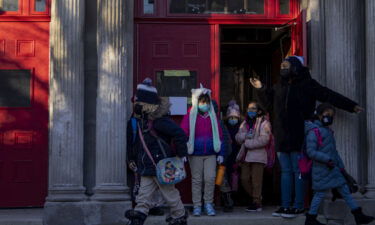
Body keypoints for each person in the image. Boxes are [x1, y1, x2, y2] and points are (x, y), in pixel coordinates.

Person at [250, 56, 364, 218]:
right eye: (281, 65)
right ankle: (285, 205)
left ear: (295, 67)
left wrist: (351, 106)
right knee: (286, 172)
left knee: (299, 171)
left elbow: (328, 95)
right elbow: (268, 105)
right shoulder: (278, 87)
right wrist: (261, 88)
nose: (283, 68)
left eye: (286, 65)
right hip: (282, 136)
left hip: (300, 135)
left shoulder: (308, 84)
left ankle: (298, 206)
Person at [125, 78, 189, 225]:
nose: (136, 105)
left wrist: (181, 154)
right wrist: (134, 159)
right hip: (148, 165)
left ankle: (179, 216)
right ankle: (138, 216)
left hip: (162, 166)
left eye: (138, 103)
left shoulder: (160, 121)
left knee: (170, 193)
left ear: (147, 104)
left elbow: (179, 134)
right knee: (143, 195)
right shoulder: (143, 120)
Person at [304, 103, 374, 225]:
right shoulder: (314, 132)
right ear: (319, 115)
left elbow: (334, 152)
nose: (330, 117)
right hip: (322, 169)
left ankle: (358, 215)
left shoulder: (328, 131)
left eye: (331, 115)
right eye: (327, 115)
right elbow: (310, 151)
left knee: (345, 190)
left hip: (332, 169)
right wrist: (327, 159)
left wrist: (341, 168)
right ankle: (310, 219)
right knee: (320, 193)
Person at [180, 84, 225, 217]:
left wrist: (221, 153)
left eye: (206, 102)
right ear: (196, 102)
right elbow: (183, 135)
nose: (204, 105)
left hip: (211, 153)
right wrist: (182, 152)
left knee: (210, 178)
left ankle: (208, 204)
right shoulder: (189, 116)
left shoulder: (213, 117)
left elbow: (220, 136)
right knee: (197, 180)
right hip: (195, 154)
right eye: (201, 102)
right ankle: (197, 205)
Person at [235, 101, 271, 212]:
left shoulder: (265, 123)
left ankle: (256, 203)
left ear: (259, 111)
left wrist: (248, 143)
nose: (250, 111)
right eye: (249, 108)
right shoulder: (244, 123)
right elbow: (237, 137)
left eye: (253, 109)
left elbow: (265, 139)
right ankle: (257, 198)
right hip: (245, 156)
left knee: (256, 181)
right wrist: (245, 136)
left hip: (258, 156)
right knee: (244, 179)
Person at [220, 100, 242, 212]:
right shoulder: (223, 127)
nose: (233, 120)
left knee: (235, 178)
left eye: (235, 117)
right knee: (221, 178)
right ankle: (222, 199)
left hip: (236, 157)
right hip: (223, 157)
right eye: (230, 117)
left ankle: (233, 200)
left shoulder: (241, 128)